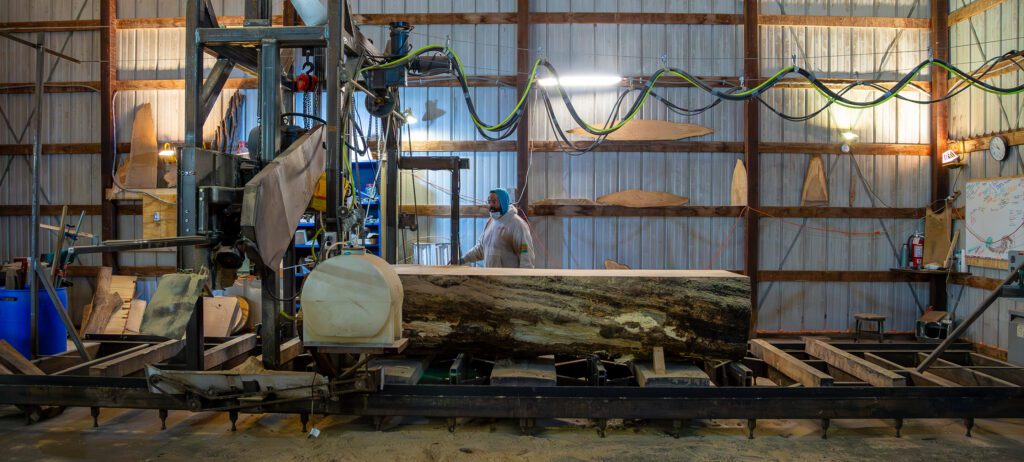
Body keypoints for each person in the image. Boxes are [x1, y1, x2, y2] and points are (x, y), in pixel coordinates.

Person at [458, 189, 535, 268]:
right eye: (489, 202)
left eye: (494, 202)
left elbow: (526, 256)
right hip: (490, 278)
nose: (491, 205)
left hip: (508, 279)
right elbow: (481, 248)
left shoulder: (517, 224)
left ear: (503, 202)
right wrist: (463, 259)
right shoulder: (490, 222)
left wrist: (525, 277)